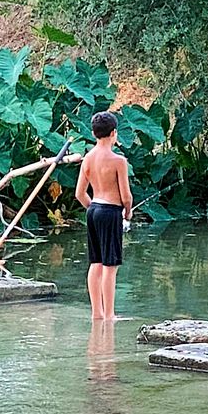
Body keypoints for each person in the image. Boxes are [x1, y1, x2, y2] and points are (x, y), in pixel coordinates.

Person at [75, 111, 133, 320]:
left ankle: (96, 313)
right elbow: (126, 196)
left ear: (93, 133)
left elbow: (79, 193)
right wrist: (128, 212)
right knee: (110, 266)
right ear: (114, 133)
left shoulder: (88, 158)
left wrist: (93, 208)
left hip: (93, 210)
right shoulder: (119, 161)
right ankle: (109, 315)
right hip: (110, 212)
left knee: (96, 263)